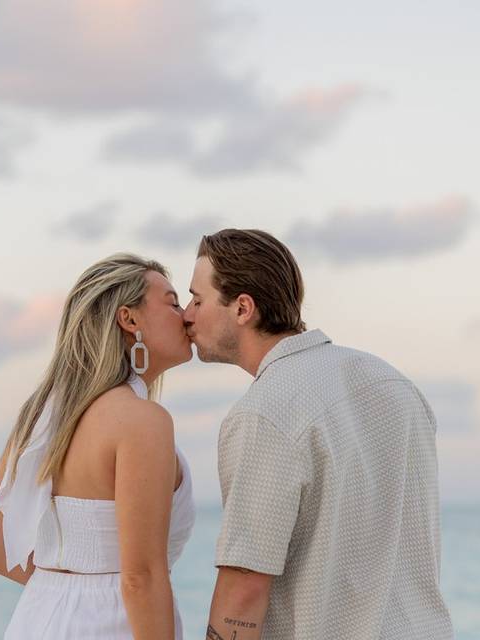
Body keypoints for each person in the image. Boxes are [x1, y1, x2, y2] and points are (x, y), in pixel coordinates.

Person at [183, 229, 454, 640]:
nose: (187, 314)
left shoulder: (264, 412)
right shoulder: (395, 385)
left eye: (197, 299)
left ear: (242, 308)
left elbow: (245, 584)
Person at [0, 253, 197, 639]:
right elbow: (141, 579)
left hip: (34, 620)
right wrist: (100, 593)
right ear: (129, 319)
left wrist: (65, 585)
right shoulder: (142, 422)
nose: (186, 316)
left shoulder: (38, 418)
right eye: (173, 302)